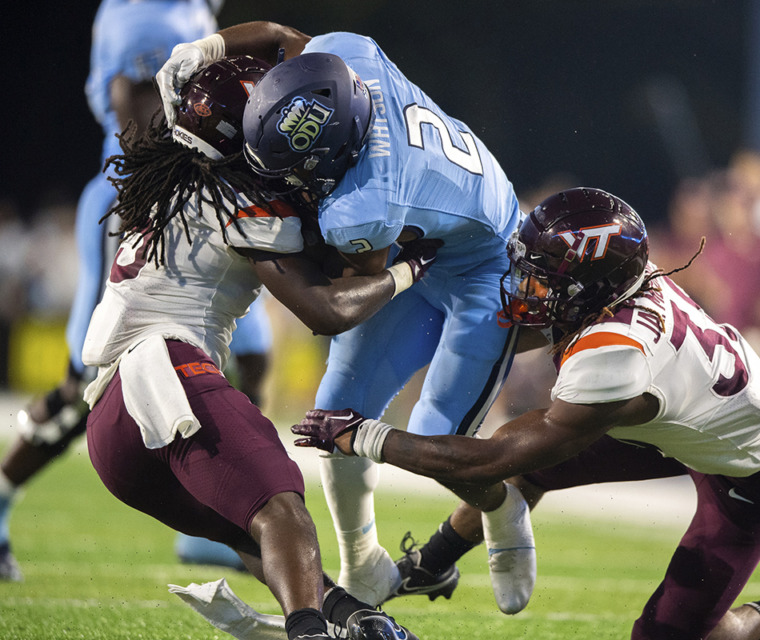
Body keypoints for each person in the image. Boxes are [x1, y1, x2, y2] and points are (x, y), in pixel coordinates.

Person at [293, 187, 760, 639]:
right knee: (532, 462)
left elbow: (488, 461)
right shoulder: (617, 287)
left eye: (543, 277)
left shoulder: (615, 353)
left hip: (757, 463)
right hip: (687, 416)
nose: (526, 286)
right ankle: (430, 565)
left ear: (590, 287)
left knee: (668, 634)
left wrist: (365, 436)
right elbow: (502, 344)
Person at [155, 21, 525, 608]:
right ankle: (364, 565)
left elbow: (340, 301)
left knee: (437, 444)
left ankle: (504, 509)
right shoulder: (344, 57)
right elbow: (280, 34)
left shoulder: (361, 208)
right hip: (428, 239)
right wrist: (208, 49)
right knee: (337, 415)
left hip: (486, 265)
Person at [82, 54, 429, 640]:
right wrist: (408, 271)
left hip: (110, 426)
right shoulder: (239, 198)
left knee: (255, 532)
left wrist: (217, 42)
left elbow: (272, 42)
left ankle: (350, 617)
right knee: (279, 509)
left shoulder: (171, 169)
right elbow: (325, 311)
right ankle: (311, 633)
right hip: (162, 372)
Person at [0, 0, 266, 581]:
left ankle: (225, 514)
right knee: (86, 377)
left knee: (253, 354)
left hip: (198, 196)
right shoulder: (147, 12)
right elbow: (129, 102)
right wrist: (164, 172)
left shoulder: (187, 10)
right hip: (146, 193)